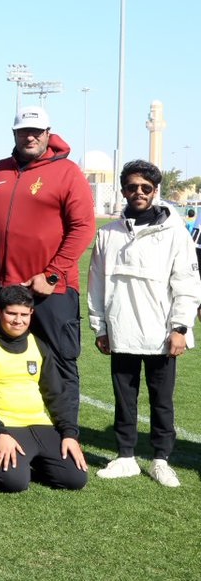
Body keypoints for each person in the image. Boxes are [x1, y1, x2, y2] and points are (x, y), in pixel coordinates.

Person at [88, 160, 201, 488]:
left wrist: (180, 328)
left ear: (155, 191)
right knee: (124, 398)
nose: (138, 192)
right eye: (132, 187)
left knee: (161, 401)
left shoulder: (174, 233)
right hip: (121, 329)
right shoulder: (108, 234)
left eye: (145, 187)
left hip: (161, 333)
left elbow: (186, 284)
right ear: (123, 190)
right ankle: (125, 456)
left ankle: (161, 459)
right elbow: (97, 284)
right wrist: (101, 327)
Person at [0, 106, 93, 425]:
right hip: (5, 290)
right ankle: (0, 432)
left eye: (36, 132)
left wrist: (52, 275)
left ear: (47, 133)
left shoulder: (68, 171)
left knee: (59, 364)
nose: (30, 137)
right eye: (23, 132)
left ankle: (65, 437)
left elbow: (83, 226)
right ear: (14, 134)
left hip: (51, 291)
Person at [0, 285, 88, 493]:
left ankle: (30, 462)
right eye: (12, 313)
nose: (18, 320)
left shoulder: (38, 344)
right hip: (3, 426)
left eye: (24, 314)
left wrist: (69, 434)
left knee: (75, 479)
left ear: (31, 312)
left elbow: (56, 394)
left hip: (38, 423)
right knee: (14, 482)